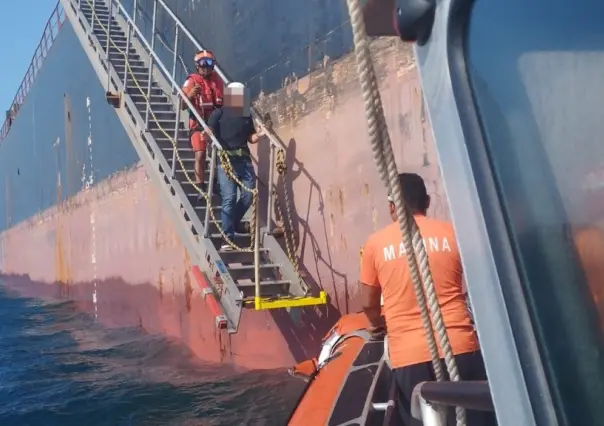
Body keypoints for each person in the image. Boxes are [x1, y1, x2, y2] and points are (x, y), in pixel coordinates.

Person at [359, 173, 496, 426]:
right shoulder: (453, 234)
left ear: (392, 206)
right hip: (461, 347)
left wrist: (378, 324)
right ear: (428, 201)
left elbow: (368, 304)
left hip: (410, 357)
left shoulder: (375, 244)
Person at [205, 82, 265, 251]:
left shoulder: (246, 116)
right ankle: (228, 238)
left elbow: (250, 137)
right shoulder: (218, 114)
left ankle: (234, 222)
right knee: (229, 198)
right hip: (226, 161)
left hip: (244, 161)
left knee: (248, 195)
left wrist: (259, 134)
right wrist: (206, 134)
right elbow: (209, 130)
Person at [182, 50, 224, 200]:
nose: (206, 68)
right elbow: (181, 105)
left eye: (209, 64)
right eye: (202, 65)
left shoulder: (217, 81)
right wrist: (189, 95)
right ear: (197, 66)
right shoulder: (191, 81)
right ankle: (200, 186)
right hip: (198, 124)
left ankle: (215, 185)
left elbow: (224, 102)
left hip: (213, 124)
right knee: (200, 155)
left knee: (217, 155)